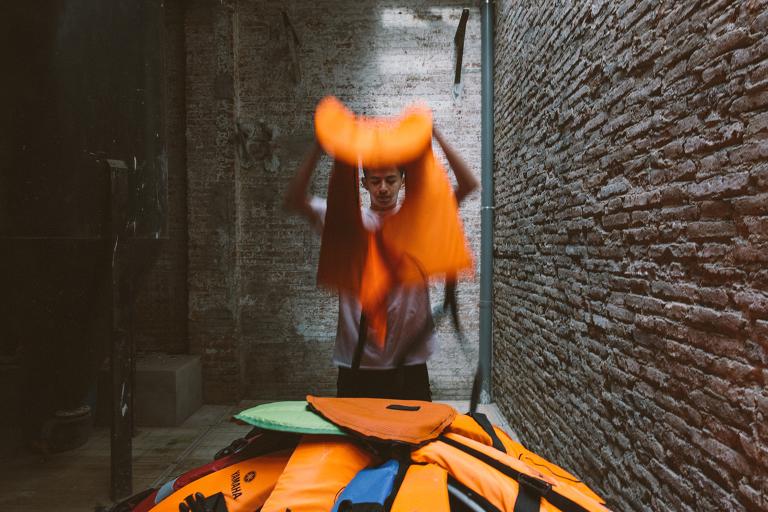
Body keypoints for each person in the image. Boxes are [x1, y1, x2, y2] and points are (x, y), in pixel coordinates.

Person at [284, 125, 478, 400]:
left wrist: (436, 135)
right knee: (354, 442)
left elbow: (468, 185)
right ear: (364, 184)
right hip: (356, 364)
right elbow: (294, 199)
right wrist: (320, 144)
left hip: (409, 364)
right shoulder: (347, 220)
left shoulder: (420, 220)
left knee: (412, 440)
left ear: (403, 180)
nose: (383, 189)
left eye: (390, 180)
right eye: (375, 181)